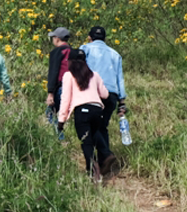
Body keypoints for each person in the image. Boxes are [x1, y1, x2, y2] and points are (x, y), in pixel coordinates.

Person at [56, 49, 119, 183]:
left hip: (81, 111)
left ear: (70, 62)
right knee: (95, 133)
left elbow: (65, 99)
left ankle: (93, 171)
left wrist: (61, 120)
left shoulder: (69, 75)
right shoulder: (94, 75)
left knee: (86, 142)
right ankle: (106, 154)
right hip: (97, 109)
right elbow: (105, 95)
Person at [81, 26, 127, 177]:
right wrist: (122, 101)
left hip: (94, 91)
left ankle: (106, 155)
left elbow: (80, 68)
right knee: (102, 127)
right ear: (104, 38)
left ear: (90, 37)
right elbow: (120, 79)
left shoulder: (85, 49)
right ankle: (104, 161)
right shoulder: (115, 54)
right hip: (112, 94)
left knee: (91, 127)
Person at [46, 27, 73, 116]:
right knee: (65, 115)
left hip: (61, 87)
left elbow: (53, 72)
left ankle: (57, 130)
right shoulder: (73, 52)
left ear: (57, 39)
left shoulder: (57, 52)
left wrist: (50, 93)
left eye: (53, 37)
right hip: (74, 87)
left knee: (49, 114)